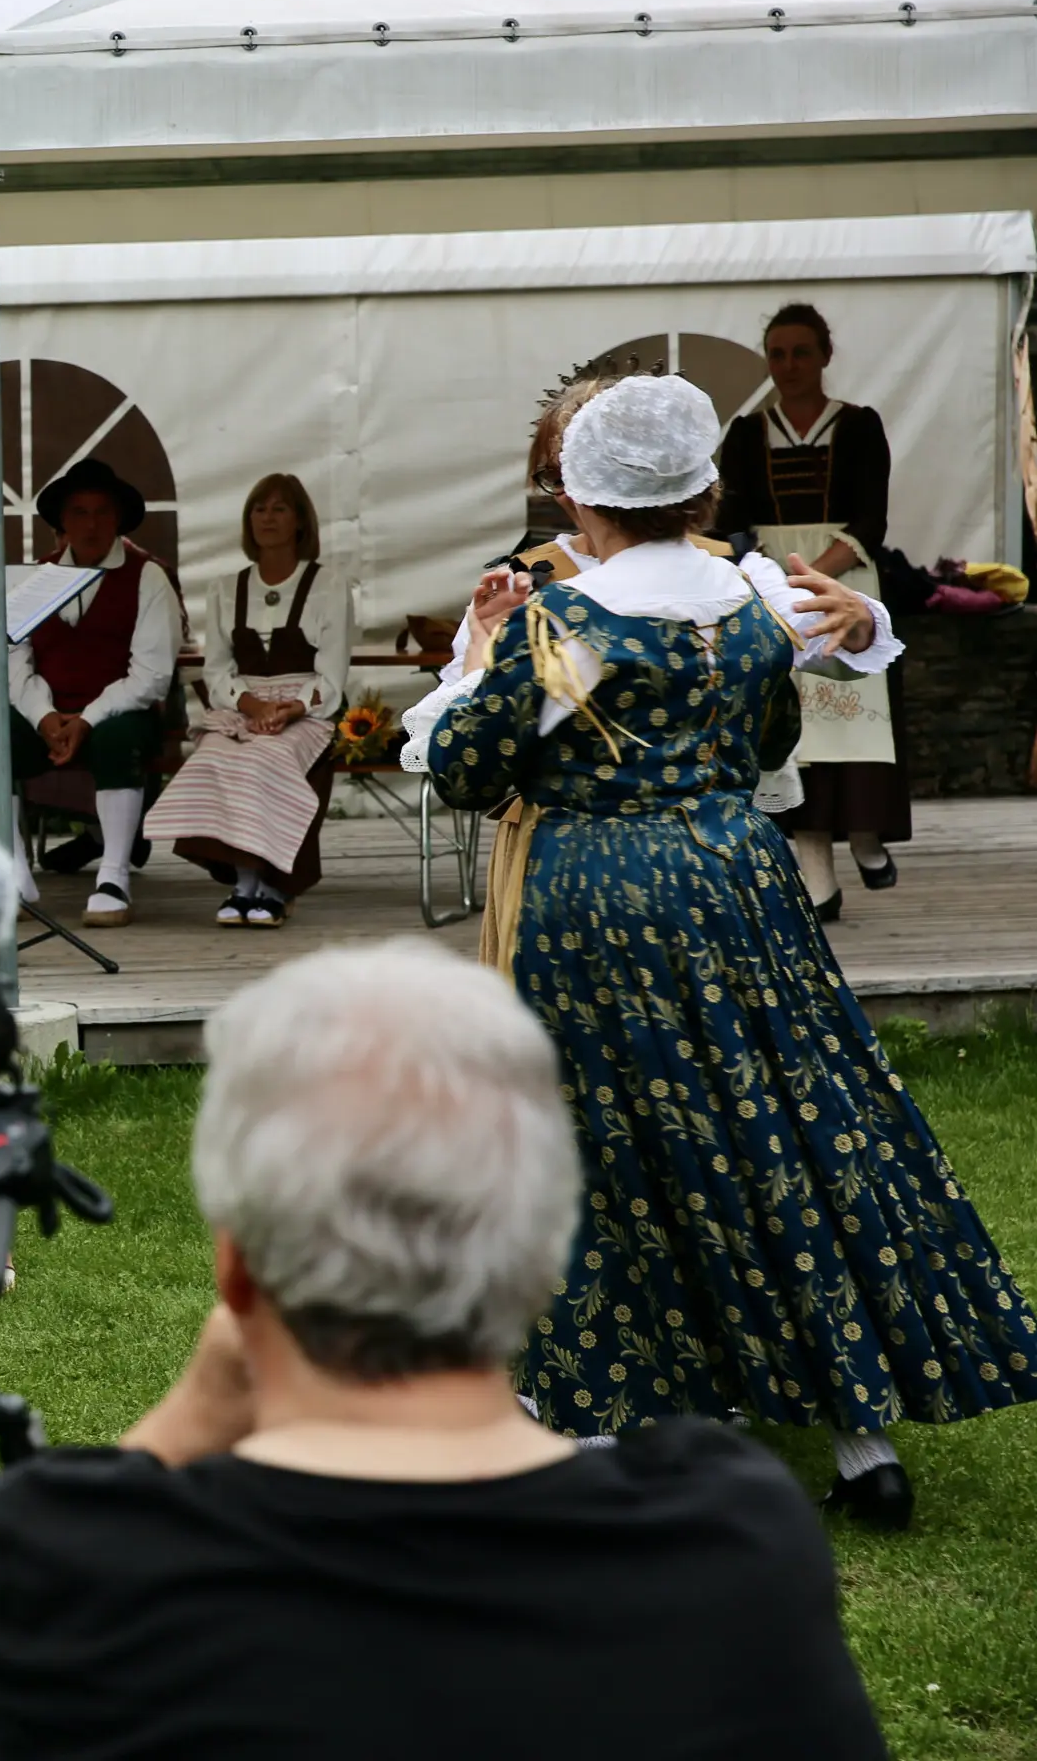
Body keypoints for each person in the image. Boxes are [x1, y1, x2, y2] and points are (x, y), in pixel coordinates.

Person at [0, 940, 889, 1760]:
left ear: (238, 1268)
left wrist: (174, 1431)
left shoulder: (43, 1570)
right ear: (540, 1250)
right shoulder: (731, 1537)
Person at [428, 375, 1037, 1526]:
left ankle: (603, 1419)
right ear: (705, 486)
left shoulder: (566, 620)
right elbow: (769, 733)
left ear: (580, 494)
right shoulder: (749, 605)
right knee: (787, 1119)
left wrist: (493, 649)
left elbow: (466, 766)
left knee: (599, 1136)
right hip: (737, 872)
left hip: (599, 891)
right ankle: (862, 1436)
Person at [401, 371, 889, 966]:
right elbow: (774, 723)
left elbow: (466, 761)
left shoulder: (719, 581)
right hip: (719, 858)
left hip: (597, 876)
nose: (564, 491)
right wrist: (483, 646)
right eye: (550, 473)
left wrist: (859, 622)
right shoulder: (541, 584)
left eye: (570, 471)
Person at [714, 303, 909, 917]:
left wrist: (814, 574)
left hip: (842, 580)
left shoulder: (857, 425)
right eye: (777, 354)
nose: (789, 365)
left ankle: (866, 834)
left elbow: (871, 518)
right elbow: (732, 521)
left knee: (851, 719)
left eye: (801, 352)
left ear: (826, 355)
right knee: (795, 727)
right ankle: (816, 865)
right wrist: (767, 581)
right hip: (773, 589)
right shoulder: (747, 432)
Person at [0, 456, 181, 929]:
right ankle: (11, 871)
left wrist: (88, 719)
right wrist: (44, 717)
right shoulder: (37, 577)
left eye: (101, 511)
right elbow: (15, 662)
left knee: (118, 741)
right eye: (79, 512)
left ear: (118, 518)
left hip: (120, 712)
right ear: (62, 521)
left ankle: (114, 875)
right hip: (49, 713)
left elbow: (152, 675)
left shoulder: (148, 577)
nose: (91, 524)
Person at [145, 474, 348, 927]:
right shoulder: (225, 588)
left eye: (279, 509)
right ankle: (243, 881)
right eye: (260, 509)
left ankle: (272, 884)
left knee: (267, 759)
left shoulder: (327, 586)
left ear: (300, 522)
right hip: (242, 708)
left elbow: (332, 672)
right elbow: (216, 669)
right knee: (213, 757)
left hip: (305, 711)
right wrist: (251, 705)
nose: (268, 518)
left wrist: (290, 708)